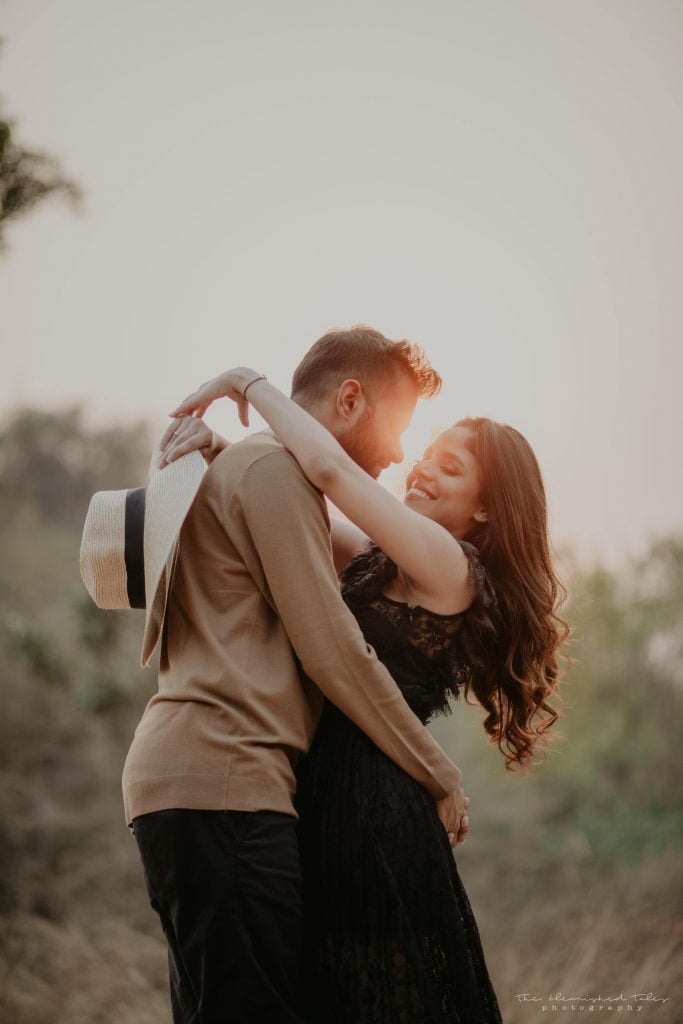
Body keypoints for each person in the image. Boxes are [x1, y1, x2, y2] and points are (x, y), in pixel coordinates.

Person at [162, 355, 569, 1023]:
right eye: (428, 452)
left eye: (452, 467)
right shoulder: (386, 559)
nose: (425, 467)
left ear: (486, 507)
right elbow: (296, 512)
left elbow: (328, 473)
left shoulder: (448, 565)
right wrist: (219, 452)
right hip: (320, 789)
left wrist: (247, 384)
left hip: (374, 807)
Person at [123, 326, 471, 1024]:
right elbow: (332, 649)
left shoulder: (259, 469)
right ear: (349, 398)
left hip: (202, 780)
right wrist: (438, 772)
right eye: (400, 428)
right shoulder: (276, 472)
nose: (401, 453)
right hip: (226, 781)